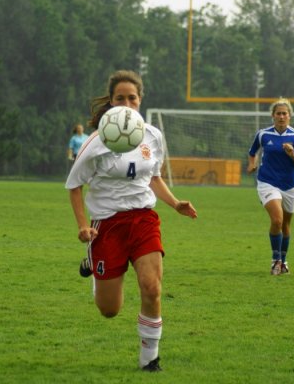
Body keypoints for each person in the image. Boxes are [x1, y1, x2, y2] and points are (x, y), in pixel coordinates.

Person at [65, 70, 197, 372]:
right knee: (109, 310)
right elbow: (74, 185)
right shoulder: (96, 141)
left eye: (132, 98)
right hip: (107, 225)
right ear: (111, 102)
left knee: (151, 288)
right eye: (120, 98)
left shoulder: (153, 135)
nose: (126, 103)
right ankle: (94, 263)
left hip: (143, 219)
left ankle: (150, 359)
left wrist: (175, 203)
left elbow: (154, 178)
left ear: (140, 100)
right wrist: (83, 226)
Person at [247, 97, 294, 275]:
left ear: (289, 116)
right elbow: (252, 153)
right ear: (273, 116)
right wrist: (251, 164)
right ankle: (275, 260)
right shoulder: (263, 134)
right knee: (277, 219)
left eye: (285, 113)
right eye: (278, 113)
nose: (281, 116)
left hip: (290, 184)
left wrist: (293, 155)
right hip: (267, 182)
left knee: (285, 225)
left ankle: (283, 262)